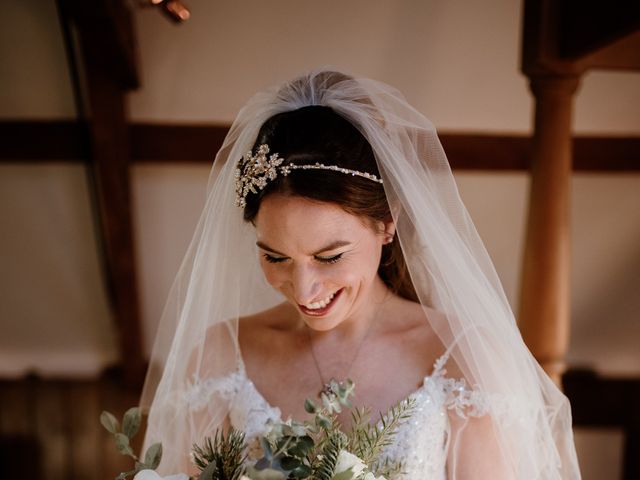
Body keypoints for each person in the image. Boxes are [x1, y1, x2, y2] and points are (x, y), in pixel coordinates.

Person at [140, 69, 581, 479]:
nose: (304, 288)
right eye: (275, 258)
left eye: (329, 256)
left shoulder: (465, 359)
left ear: (388, 221)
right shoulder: (219, 354)